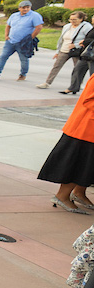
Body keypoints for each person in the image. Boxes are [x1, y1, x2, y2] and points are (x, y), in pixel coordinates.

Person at [38, 73, 94, 213]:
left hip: (88, 129)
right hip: (85, 128)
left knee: (88, 165)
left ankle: (79, 193)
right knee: (79, 163)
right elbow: (89, 101)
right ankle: (62, 196)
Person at [0, 0, 44, 81]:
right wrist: (6, 35)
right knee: (3, 57)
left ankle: (23, 74)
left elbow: (39, 27)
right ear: (19, 8)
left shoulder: (35, 16)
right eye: (23, 8)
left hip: (23, 43)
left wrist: (30, 38)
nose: (26, 9)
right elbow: (8, 26)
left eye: (28, 7)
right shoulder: (14, 16)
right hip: (10, 41)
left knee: (24, 59)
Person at [43, 10, 93, 90]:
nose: (72, 21)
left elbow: (88, 39)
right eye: (70, 19)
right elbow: (61, 39)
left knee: (78, 69)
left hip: (77, 50)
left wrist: (76, 45)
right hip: (64, 49)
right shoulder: (67, 26)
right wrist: (58, 51)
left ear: (81, 19)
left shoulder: (86, 27)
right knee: (56, 66)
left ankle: (77, 84)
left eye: (74, 19)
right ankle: (47, 83)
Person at [61, 11, 94, 95]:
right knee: (78, 69)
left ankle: (91, 92)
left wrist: (84, 41)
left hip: (92, 55)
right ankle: (73, 88)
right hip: (86, 54)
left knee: (92, 74)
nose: (92, 19)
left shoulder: (88, 27)